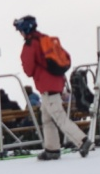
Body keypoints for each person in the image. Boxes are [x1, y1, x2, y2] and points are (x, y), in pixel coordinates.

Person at [14, 16, 89, 160]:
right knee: (47, 117)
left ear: (25, 30)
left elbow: (28, 70)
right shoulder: (45, 39)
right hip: (57, 82)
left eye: (20, 31)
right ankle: (52, 148)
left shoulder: (30, 44)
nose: (20, 34)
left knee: (59, 117)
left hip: (47, 85)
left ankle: (83, 141)